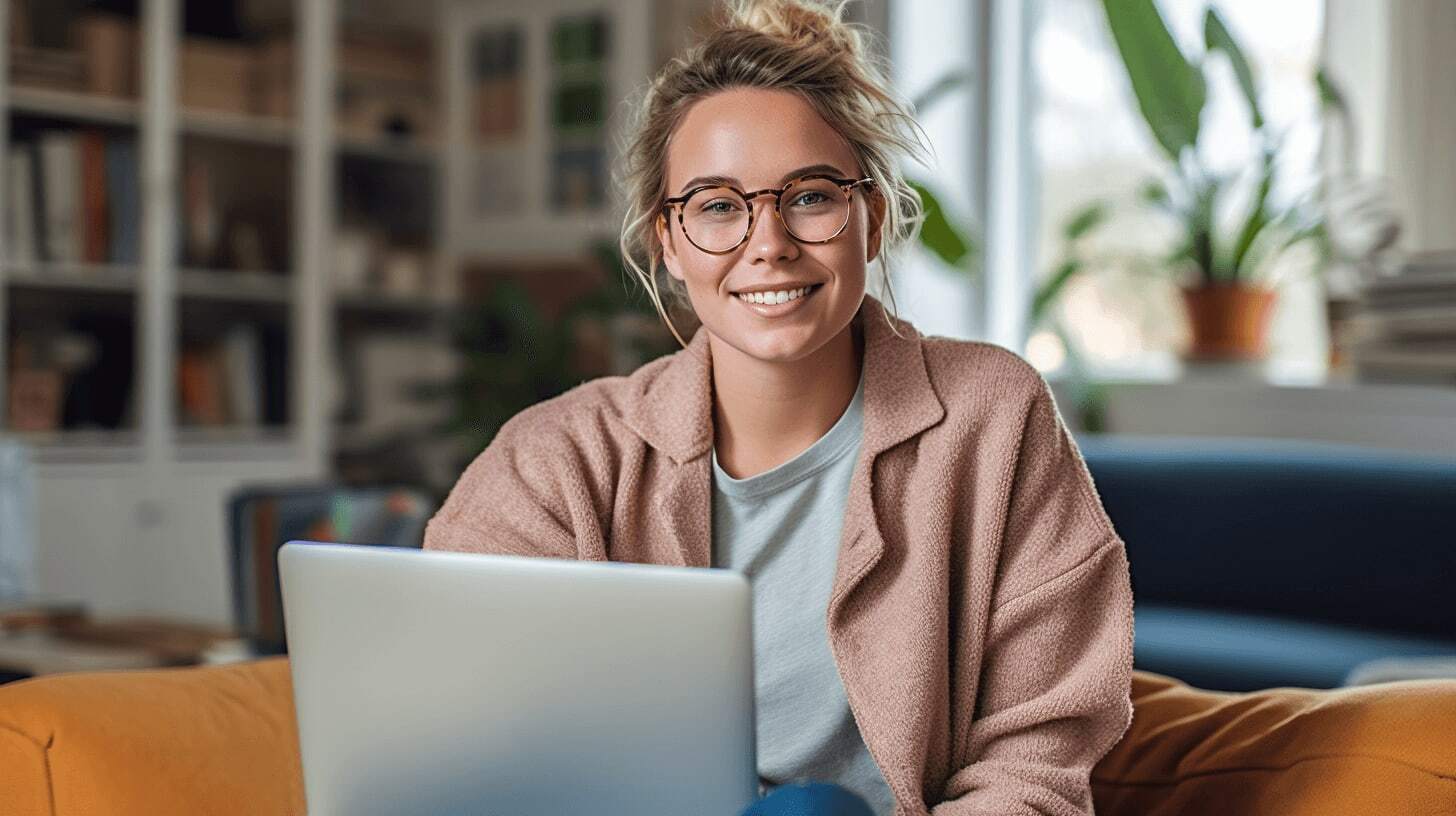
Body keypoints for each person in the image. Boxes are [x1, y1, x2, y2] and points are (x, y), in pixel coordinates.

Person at [423, 1, 1135, 813]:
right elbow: (459, 726)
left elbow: (1037, 758)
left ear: (870, 219)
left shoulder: (994, 417)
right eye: (718, 206)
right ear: (669, 242)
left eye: (810, 196)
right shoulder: (552, 459)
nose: (768, 243)